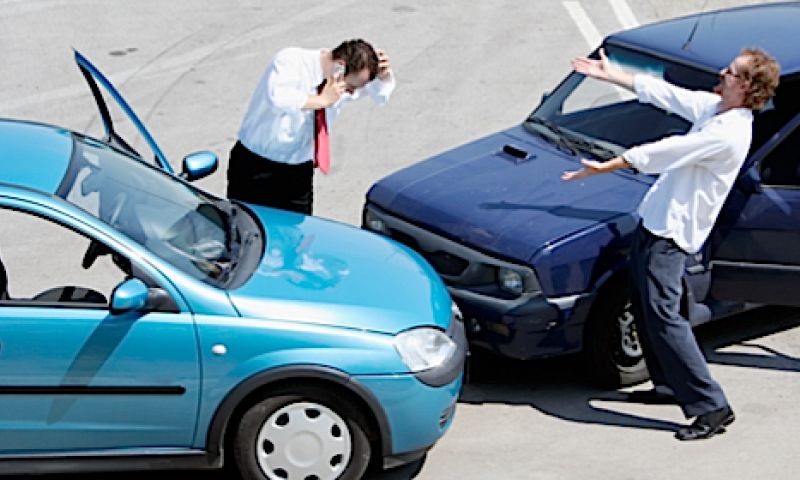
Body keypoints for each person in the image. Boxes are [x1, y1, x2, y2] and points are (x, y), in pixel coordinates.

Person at [562, 48, 780, 440]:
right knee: (651, 308)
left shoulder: (728, 133)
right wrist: (610, 75)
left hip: (672, 235)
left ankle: (712, 407)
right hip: (656, 224)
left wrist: (610, 165)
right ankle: (667, 386)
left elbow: (668, 150)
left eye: (730, 72)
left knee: (665, 317)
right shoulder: (716, 109)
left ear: (746, 86)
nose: (721, 72)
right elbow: (666, 94)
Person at [227, 39, 395, 214]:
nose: (351, 93)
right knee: (245, 231)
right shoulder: (291, 60)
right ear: (340, 66)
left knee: (298, 233)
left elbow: (380, 96)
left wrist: (384, 76)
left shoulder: (338, 82)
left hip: (298, 172)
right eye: (351, 87)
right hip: (256, 166)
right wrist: (321, 100)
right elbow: (278, 98)